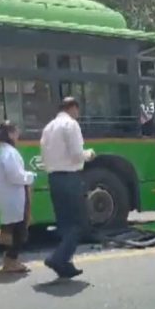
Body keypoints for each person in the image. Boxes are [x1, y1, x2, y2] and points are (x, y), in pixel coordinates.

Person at [40, 97, 95, 279]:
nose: (78, 115)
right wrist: (89, 154)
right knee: (79, 223)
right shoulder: (70, 125)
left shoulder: (48, 127)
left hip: (54, 178)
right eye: (77, 111)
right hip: (69, 177)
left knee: (64, 223)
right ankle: (58, 258)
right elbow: (76, 155)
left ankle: (65, 264)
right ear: (72, 108)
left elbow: (44, 156)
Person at [0, 121, 36, 273]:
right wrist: (30, 176)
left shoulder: (0, 152)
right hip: (13, 198)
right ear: (10, 134)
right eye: (16, 132)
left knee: (9, 230)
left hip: (6, 197)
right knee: (18, 230)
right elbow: (15, 176)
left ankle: (9, 261)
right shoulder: (9, 153)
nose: (18, 135)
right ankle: (12, 260)